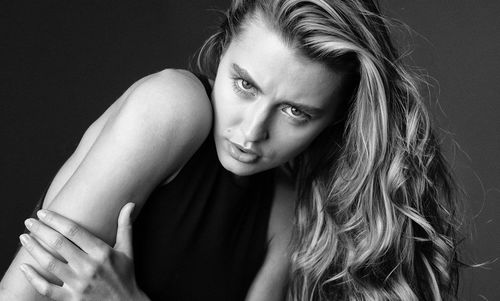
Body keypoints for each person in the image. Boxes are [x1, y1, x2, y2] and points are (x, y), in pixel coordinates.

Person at [0, 0, 462, 300]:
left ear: (336, 120)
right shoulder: (173, 107)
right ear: (220, 53)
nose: (252, 131)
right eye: (245, 84)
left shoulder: (291, 215)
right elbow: (16, 295)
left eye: (295, 112)